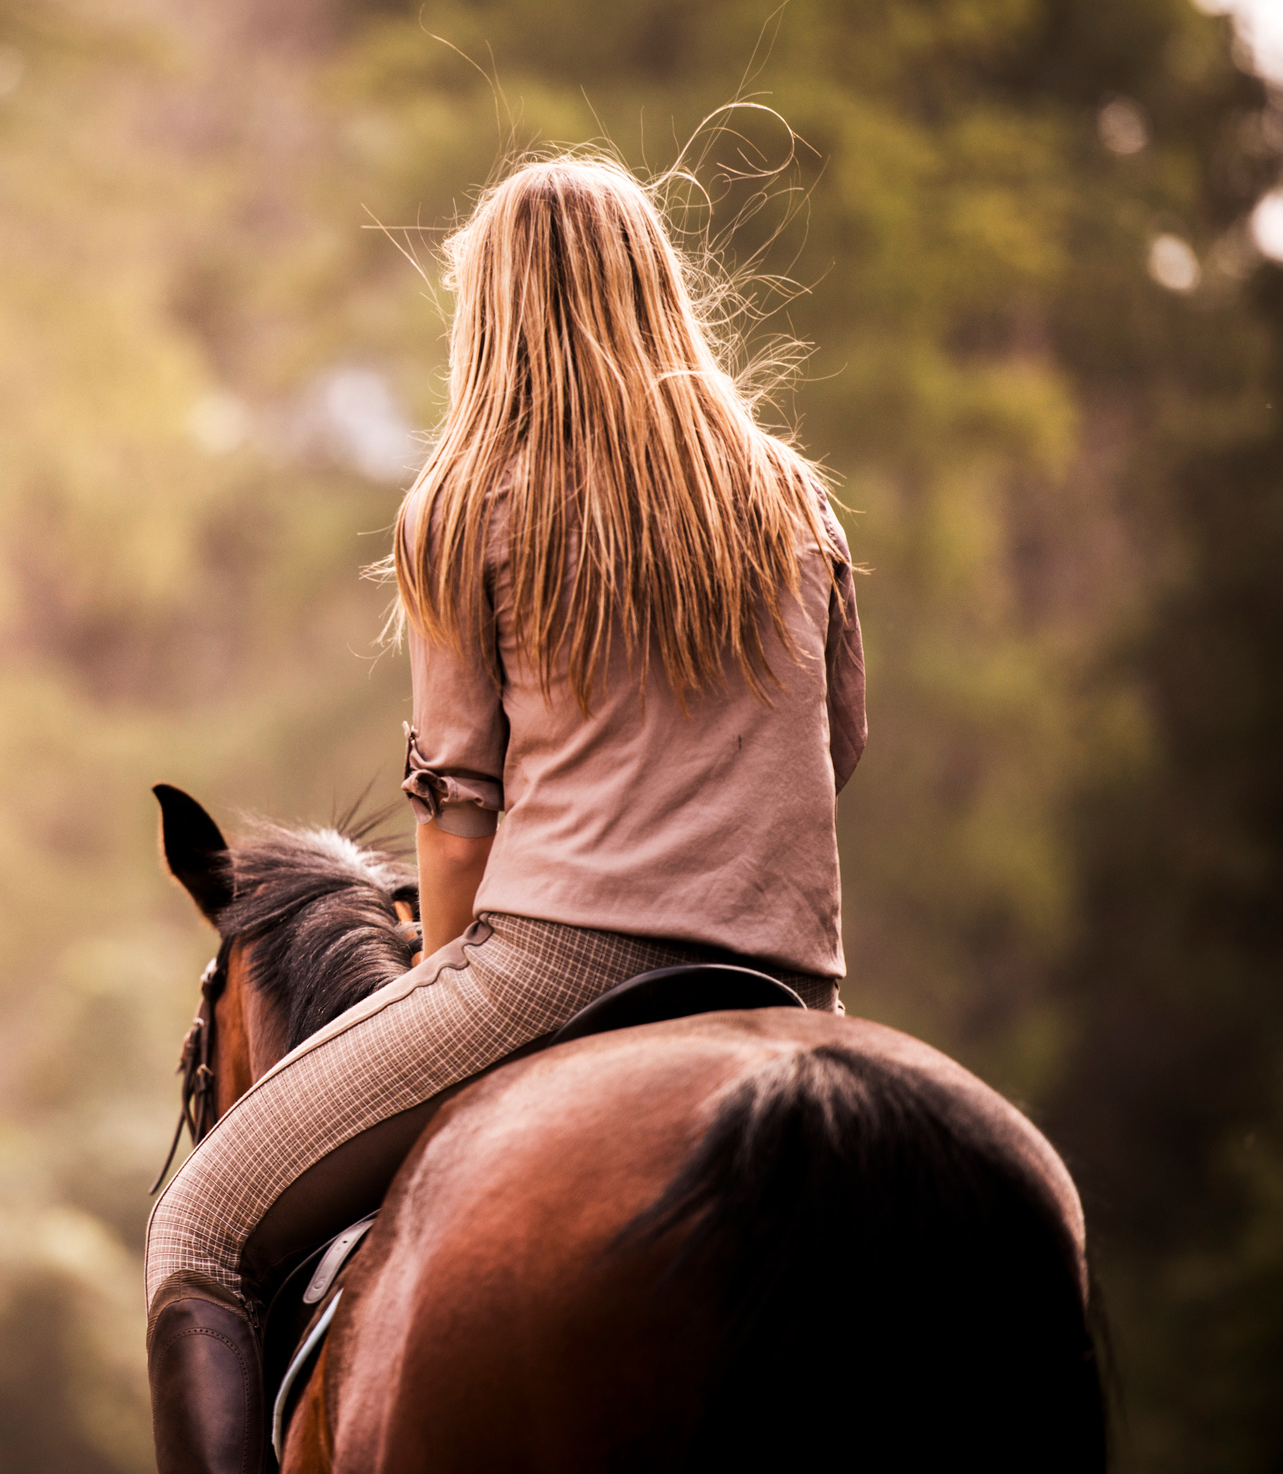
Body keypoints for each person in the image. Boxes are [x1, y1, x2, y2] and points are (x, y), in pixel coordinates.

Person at [142, 153, 866, 1474]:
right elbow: (837, 750)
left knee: (196, 1227)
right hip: (789, 983)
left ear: (496, 314)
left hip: (556, 965)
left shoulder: (471, 503)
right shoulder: (794, 500)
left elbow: (461, 823)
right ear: (659, 291)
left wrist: (451, 976)